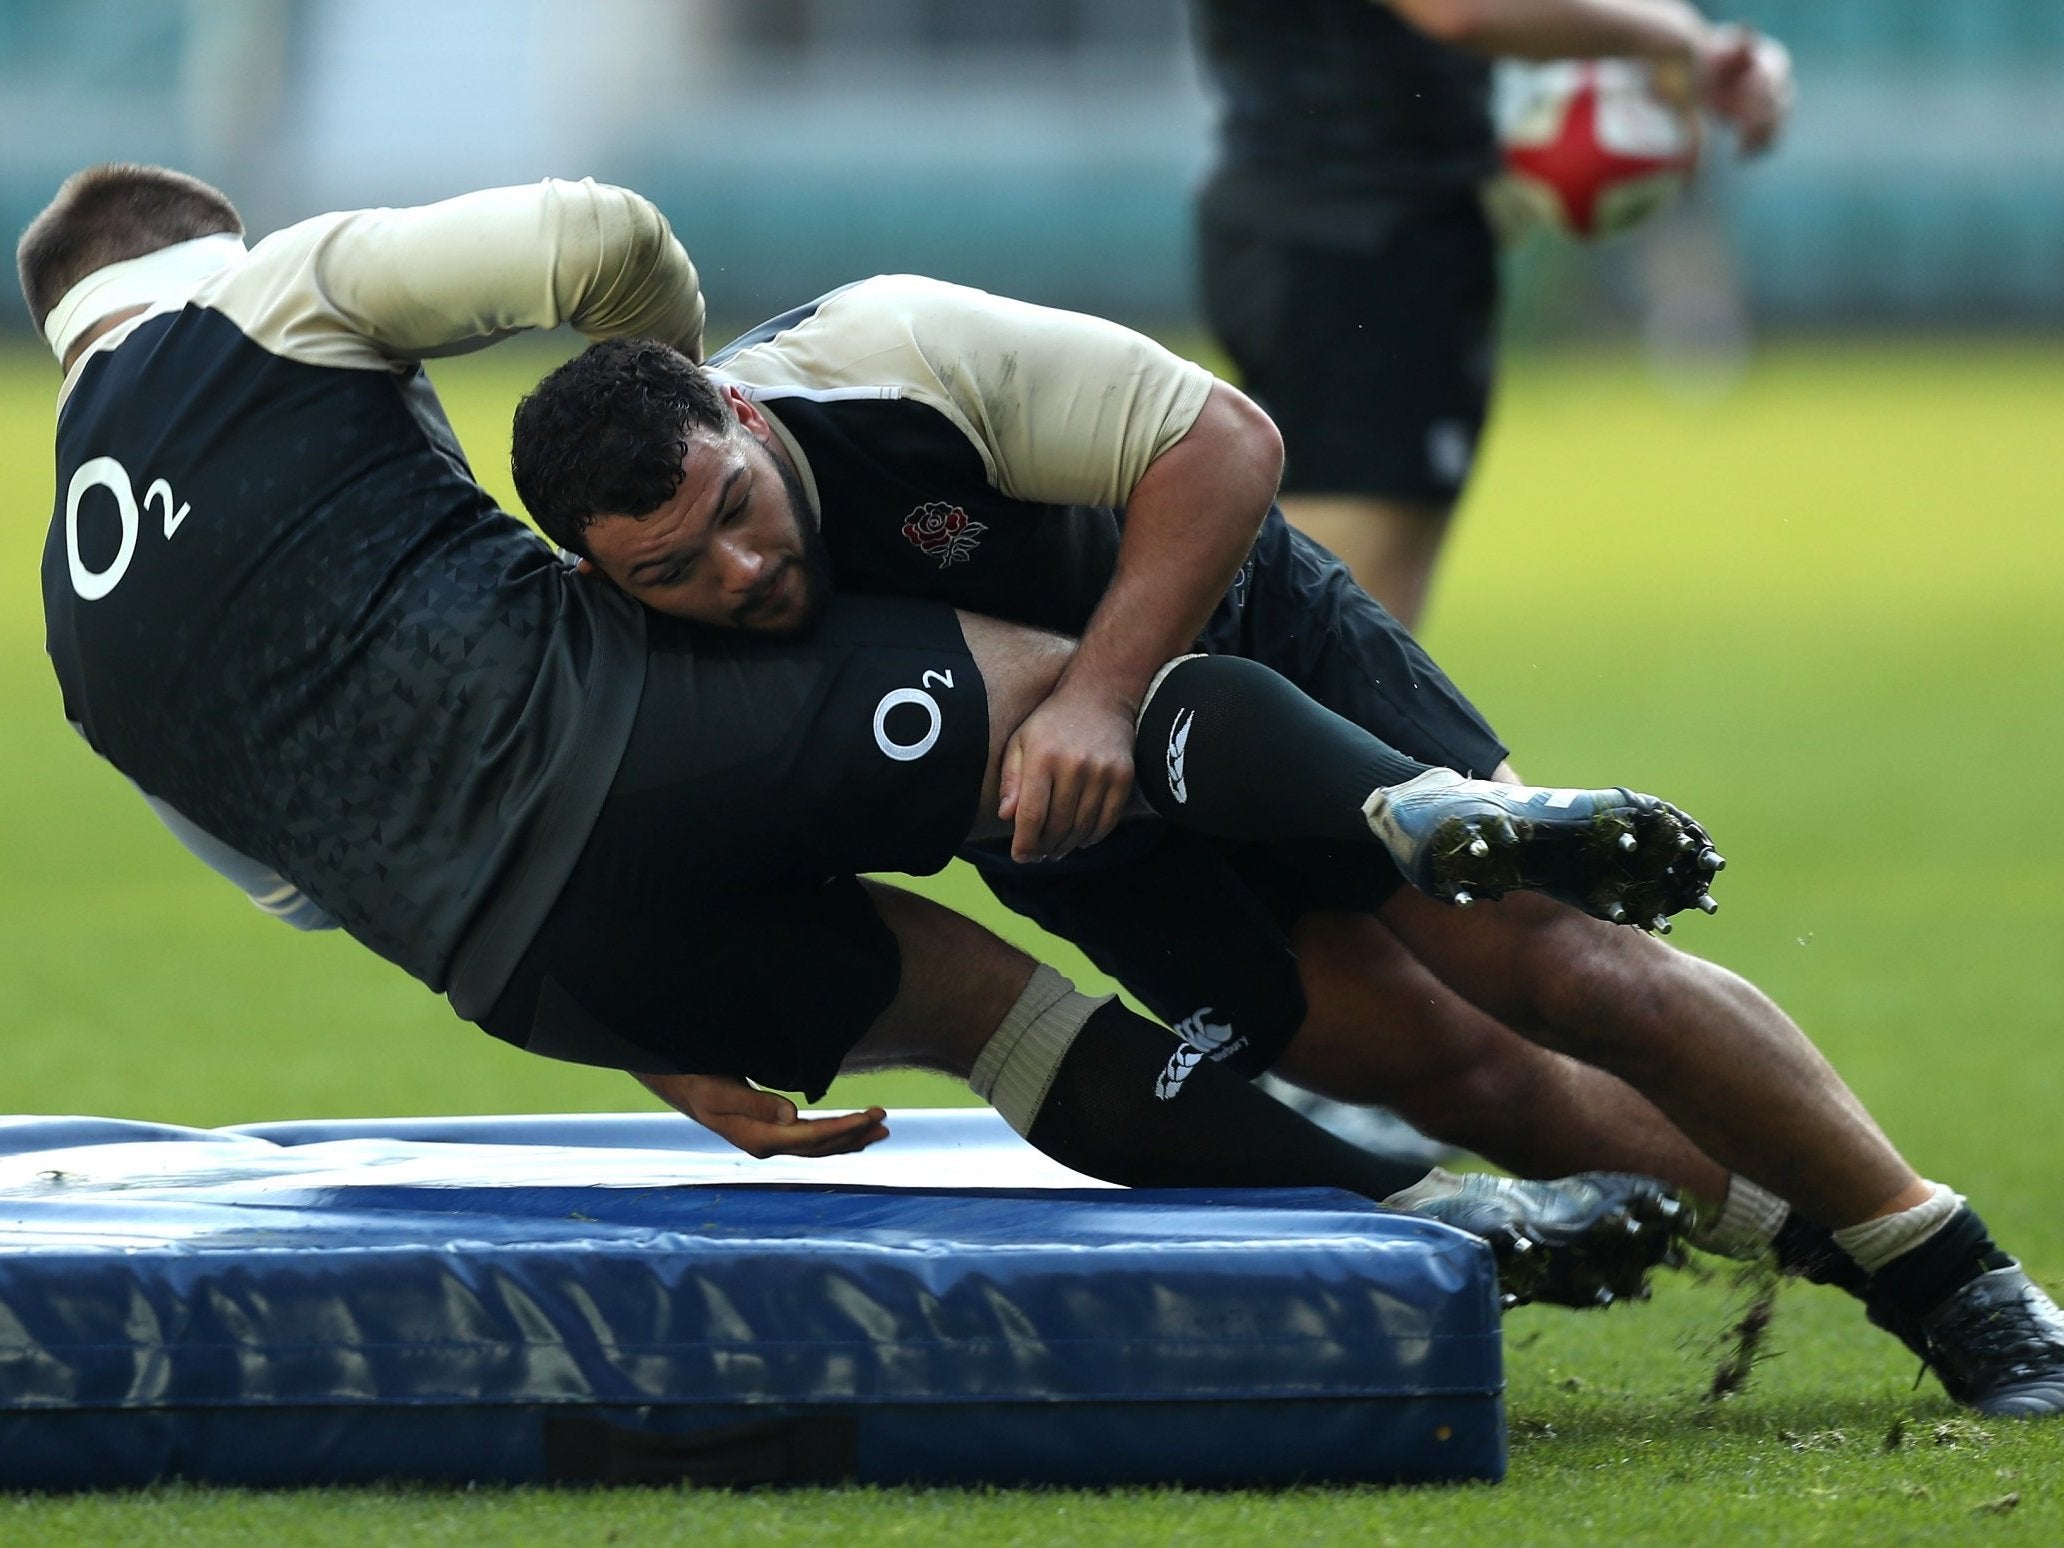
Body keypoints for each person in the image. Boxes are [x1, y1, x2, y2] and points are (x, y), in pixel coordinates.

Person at [24, 163, 1700, 1315]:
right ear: (202, 238)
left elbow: (317, 892)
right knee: (1067, 687)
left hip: (533, 967)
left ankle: (1425, 1216)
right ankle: (1418, 817)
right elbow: (585, 230)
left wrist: (640, 1033)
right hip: (626, 723)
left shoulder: (72, 634)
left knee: (997, 1028)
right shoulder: (263, 295)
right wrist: (693, 411)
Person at [510, 278, 2064, 1418]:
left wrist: (1104, 694)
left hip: (1248, 643)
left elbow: (1226, 443)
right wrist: (675, 1043)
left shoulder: (893, 356)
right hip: (1070, 825)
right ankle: (1857, 1254)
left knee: (1550, 966)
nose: (743, 566)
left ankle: (1960, 1279)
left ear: (743, 413)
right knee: (1448, 1069)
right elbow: (666, 839)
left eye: (736, 505)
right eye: (675, 568)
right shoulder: (629, 641)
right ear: (601, 573)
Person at [1189, 0, 1791, 626]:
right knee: (1335, 649)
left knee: (1338, 633)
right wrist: (1684, 38)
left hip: (1349, 229)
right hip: (1355, 241)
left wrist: (1659, 44)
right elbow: (1463, 10)